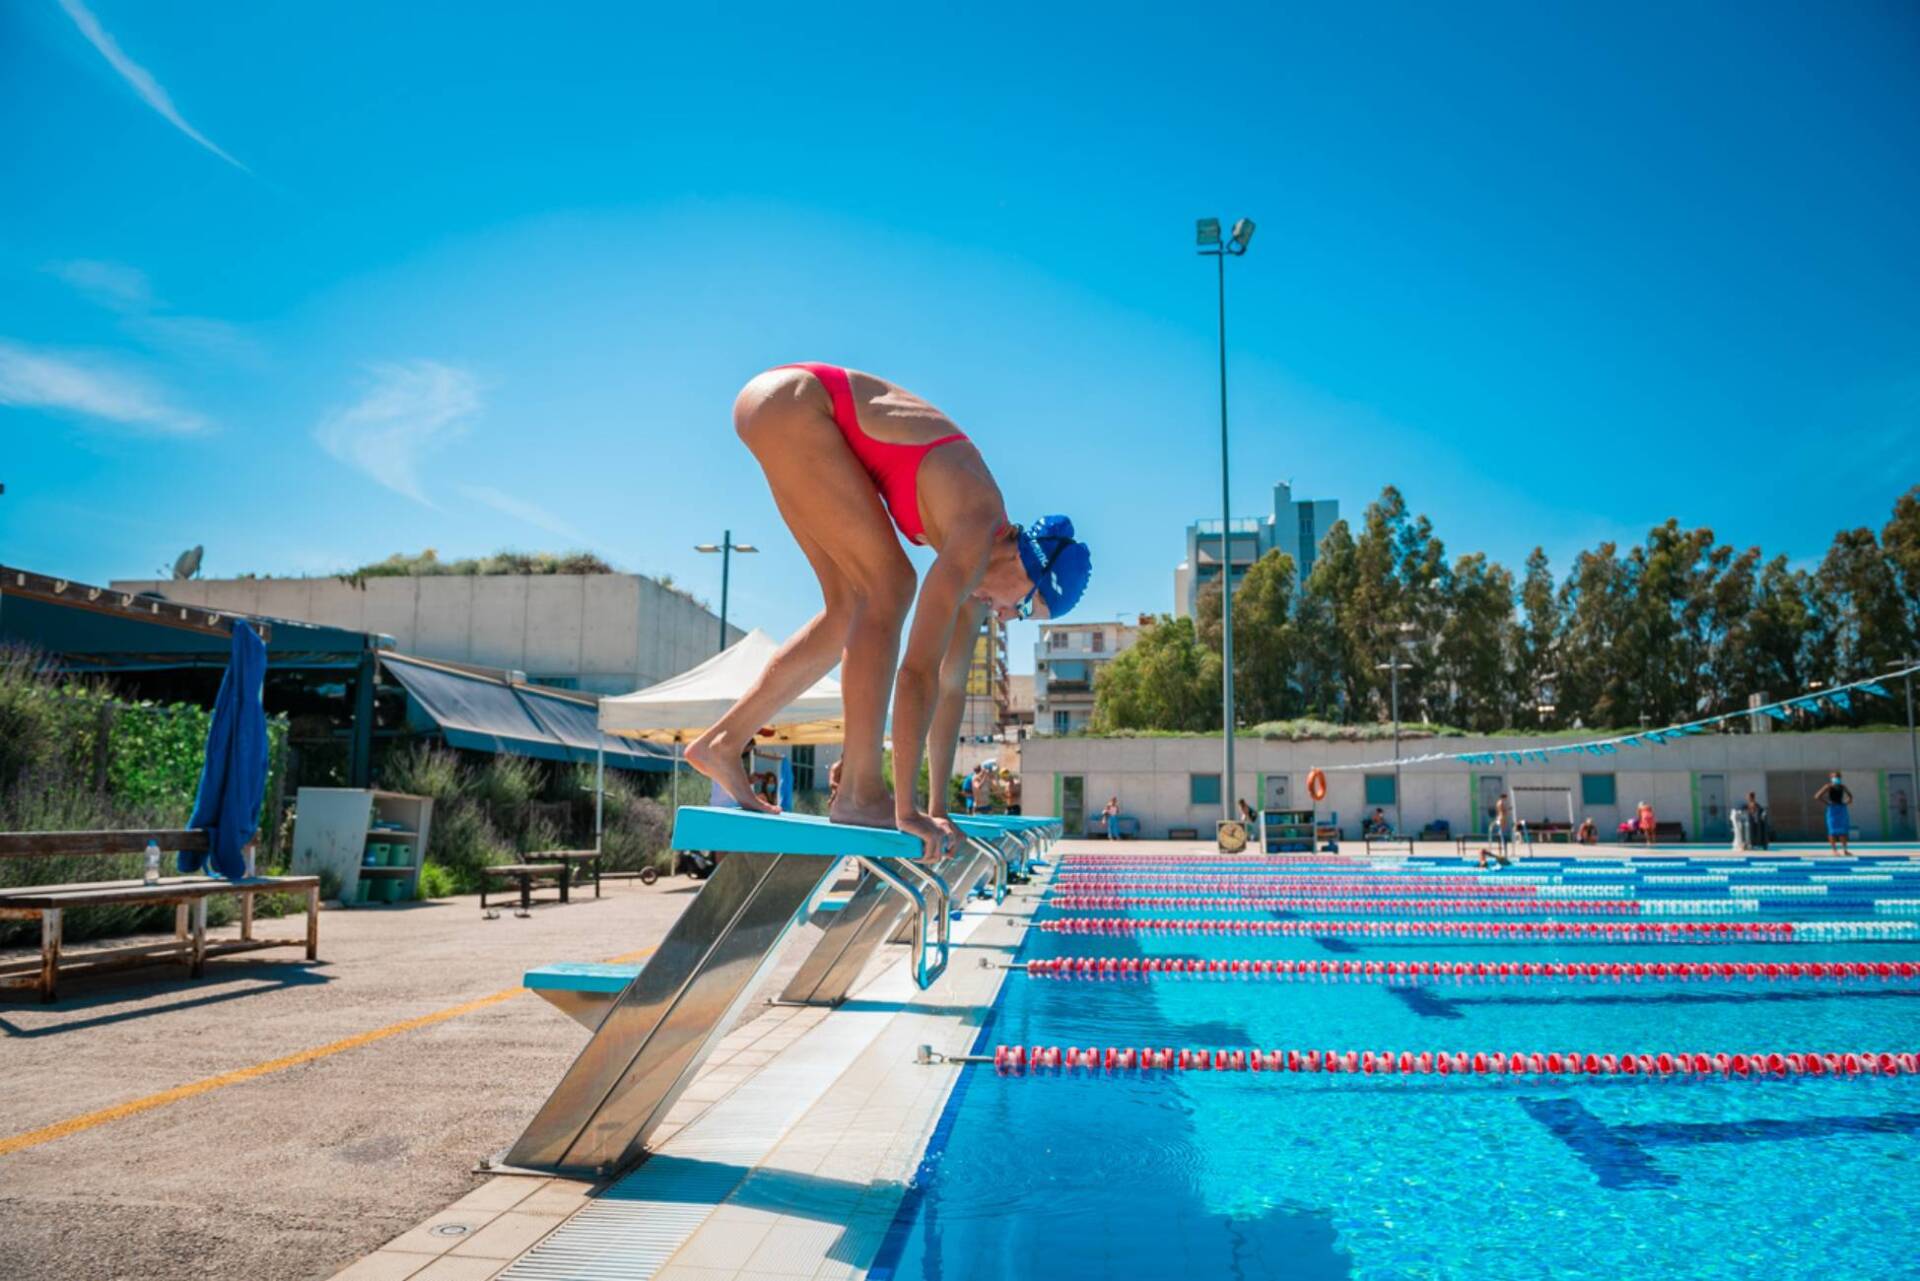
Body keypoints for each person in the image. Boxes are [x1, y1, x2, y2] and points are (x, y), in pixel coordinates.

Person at [688, 363, 1090, 857]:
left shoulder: (971, 576)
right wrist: (904, 810)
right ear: (1027, 563)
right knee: (890, 586)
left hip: (782, 408)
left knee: (847, 609)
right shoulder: (977, 525)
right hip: (798, 403)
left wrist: (935, 806)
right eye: (1026, 606)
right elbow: (915, 673)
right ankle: (860, 791)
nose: (1008, 616)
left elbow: (949, 687)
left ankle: (723, 742)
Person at [1814, 771, 1854, 856]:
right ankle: (1834, 850)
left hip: (1841, 809)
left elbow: (1850, 796)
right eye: (1835, 777)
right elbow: (1817, 796)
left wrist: (1846, 802)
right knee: (1832, 830)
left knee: (1843, 830)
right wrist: (1827, 803)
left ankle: (1845, 850)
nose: (1837, 778)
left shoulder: (1842, 787)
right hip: (1832, 809)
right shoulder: (1828, 786)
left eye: (1838, 777)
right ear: (1831, 778)